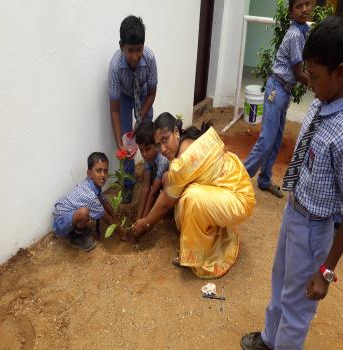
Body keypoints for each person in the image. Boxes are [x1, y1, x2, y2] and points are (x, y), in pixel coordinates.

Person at [241, 16, 343, 350]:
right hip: (294, 211)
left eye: (314, 76)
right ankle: (270, 340)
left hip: (315, 229)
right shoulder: (321, 101)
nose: (308, 82)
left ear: (340, 72)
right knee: (280, 281)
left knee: (298, 305)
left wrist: (326, 269)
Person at [132, 113, 256, 278]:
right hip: (233, 190)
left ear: (176, 131)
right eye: (158, 144)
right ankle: (209, 239)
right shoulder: (187, 142)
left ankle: (200, 260)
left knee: (191, 198)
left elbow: (166, 202)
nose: (162, 149)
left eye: (165, 139)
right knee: (175, 184)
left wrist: (146, 224)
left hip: (240, 200)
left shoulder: (184, 160)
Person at [244, 0, 312, 198]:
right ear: (291, 13)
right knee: (266, 139)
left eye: (307, 4)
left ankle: (264, 180)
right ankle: (238, 179)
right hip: (277, 90)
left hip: (284, 90)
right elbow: (299, 73)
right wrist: (317, 84)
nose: (305, 9)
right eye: (299, 6)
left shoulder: (303, 30)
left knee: (275, 139)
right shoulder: (294, 35)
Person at [108, 15, 158, 204]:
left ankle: (150, 171)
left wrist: (141, 119)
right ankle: (128, 184)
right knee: (127, 141)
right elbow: (114, 111)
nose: (135, 56)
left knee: (146, 135)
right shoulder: (115, 67)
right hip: (125, 97)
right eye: (130, 51)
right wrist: (120, 144)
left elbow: (152, 94)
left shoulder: (150, 58)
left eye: (139, 50)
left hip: (145, 96)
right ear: (122, 46)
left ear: (143, 46)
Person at [53, 152, 127, 251]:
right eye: (98, 171)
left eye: (105, 171)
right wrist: (122, 233)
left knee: (87, 213)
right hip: (60, 222)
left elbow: (104, 202)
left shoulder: (92, 183)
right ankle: (75, 237)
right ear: (89, 173)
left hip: (69, 214)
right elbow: (107, 218)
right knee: (84, 213)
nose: (103, 175)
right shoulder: (90, 195)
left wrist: (115, 217)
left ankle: (76, 228)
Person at [134, 121, 169, 220]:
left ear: (157, 145)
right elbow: (146, 187)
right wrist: (138, 219)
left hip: (172, 183)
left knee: (164, 179)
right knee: (144, 174)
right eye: (141, 150)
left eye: (148, 149)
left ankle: (168, 209)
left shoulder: (163, 160)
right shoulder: (149, 157)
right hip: (158, 178)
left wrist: (144, 221)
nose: (144, 154)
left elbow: (153, 192)